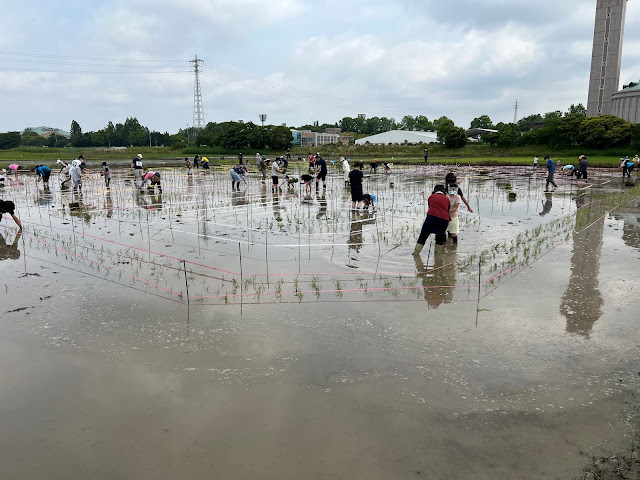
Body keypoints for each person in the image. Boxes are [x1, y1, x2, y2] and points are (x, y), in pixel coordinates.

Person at [413, 185, 450, 255]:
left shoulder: (431, 197)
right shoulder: (447, 199)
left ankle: (416, 253)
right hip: (444, 220)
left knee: (423, 235)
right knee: (439, 238)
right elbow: (447, 210)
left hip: (432, 217)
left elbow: (430, 207)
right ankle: (437, 255)